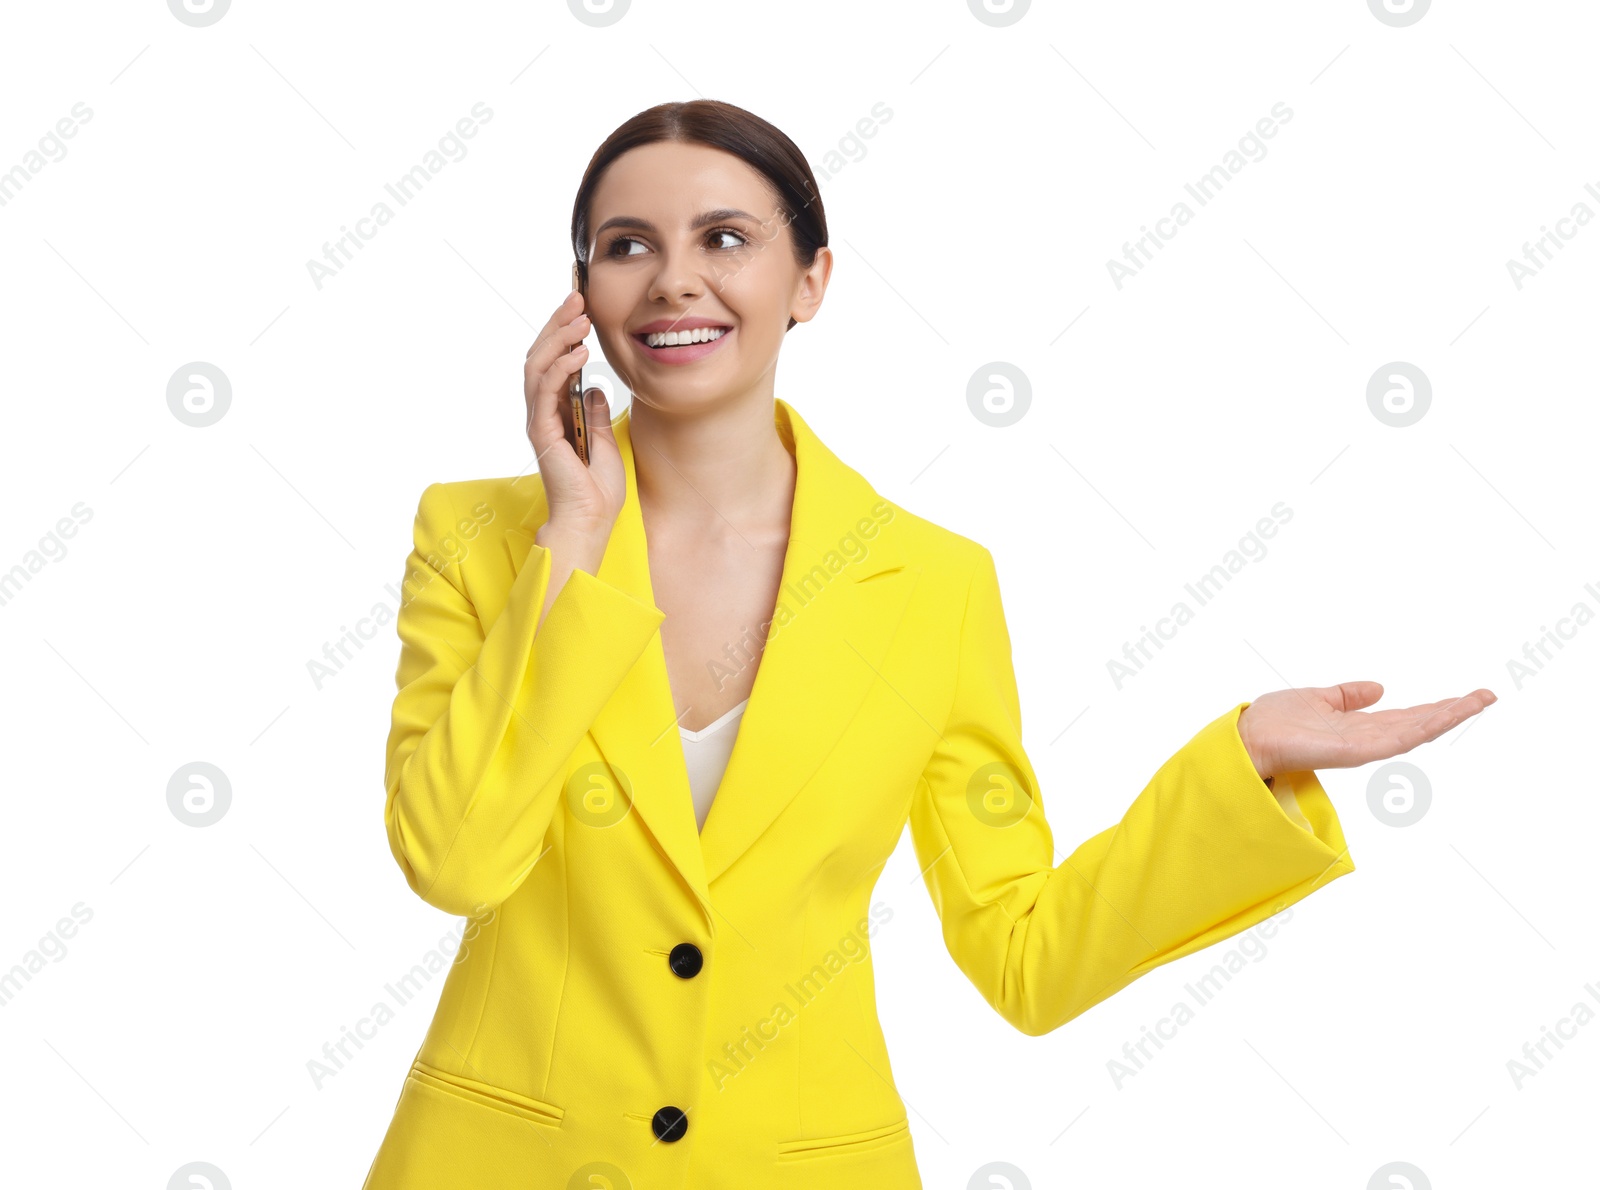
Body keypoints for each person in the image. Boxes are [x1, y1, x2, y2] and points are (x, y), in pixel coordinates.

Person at [360, 99, 1496, 1190]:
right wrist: (572, 537)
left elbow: (1023, 952)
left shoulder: (935, 585)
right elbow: (455, 862)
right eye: (625, 245)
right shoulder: (476, 538)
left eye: (725, 237)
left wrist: (1237, 765)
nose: (673, 280)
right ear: (583, 292)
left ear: (810, 278)